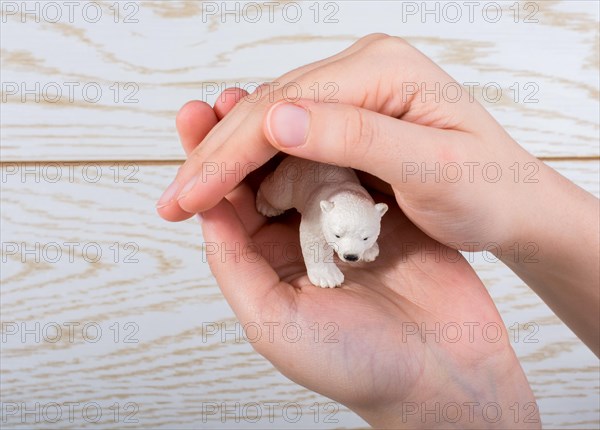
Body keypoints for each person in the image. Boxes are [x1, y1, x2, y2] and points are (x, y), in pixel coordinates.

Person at [156, 34, 599, 428]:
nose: (349, 251)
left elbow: (361, 236)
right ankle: (274, 196)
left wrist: (441, 401)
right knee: (276, 191)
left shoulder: (369, 217)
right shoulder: (321, 215)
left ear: (379, 217)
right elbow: (316, 237)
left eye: (365, 237)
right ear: (329, 213)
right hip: (302, 182)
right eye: (346, 239)